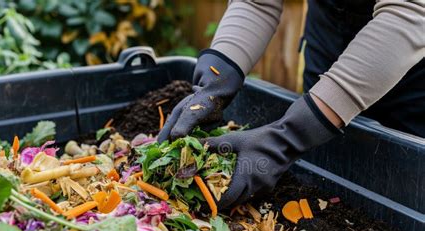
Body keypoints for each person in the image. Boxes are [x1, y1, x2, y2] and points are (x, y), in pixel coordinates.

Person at [158, 0, 424, 210]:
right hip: (330, 32)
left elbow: (409, 12)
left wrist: (288, 136)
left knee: (406, 192)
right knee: (324, 167)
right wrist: (216, 81)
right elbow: (257, 2)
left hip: (412, 67)